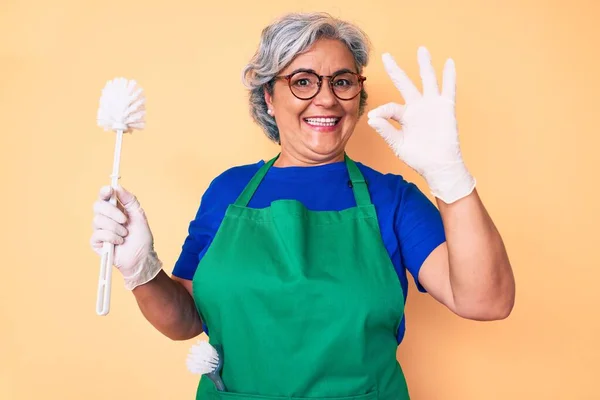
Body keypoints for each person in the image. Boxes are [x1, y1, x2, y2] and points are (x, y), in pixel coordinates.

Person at [90, 11, 515, 400]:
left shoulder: (393, 198)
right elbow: (186, 320)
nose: (326, 98)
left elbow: (486, 300)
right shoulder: (228, 191)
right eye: (303, 81)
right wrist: (141, 269)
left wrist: (450, 177)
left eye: (342, 81)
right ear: (270, 98)